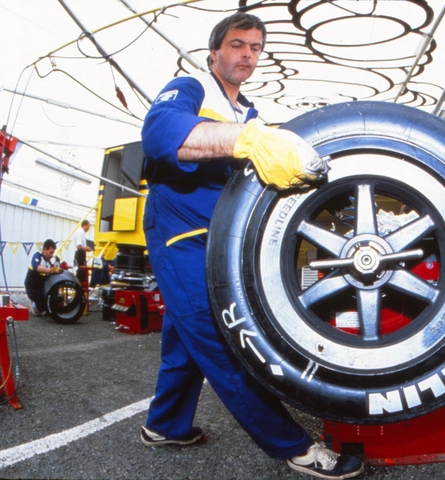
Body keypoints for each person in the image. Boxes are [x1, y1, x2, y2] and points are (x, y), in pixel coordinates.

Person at [139, 13, 362, 480]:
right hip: (179, 228)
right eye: (237, 44)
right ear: (214, 52)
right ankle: (296, 447)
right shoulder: (192, 87)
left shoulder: (251, 114)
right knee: (221, 336)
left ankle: (164, 425)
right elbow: (160, 136)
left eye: (256, 47)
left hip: (221, 234)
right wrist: (246, 140)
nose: (246, 54)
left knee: (186, 333)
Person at [24, 239, 62, 315]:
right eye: (51, 252)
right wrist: (51, 270)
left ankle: (42, 305)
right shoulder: (37, 256)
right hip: (33, 289)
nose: (52, 255)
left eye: (53, 252)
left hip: (43, 287)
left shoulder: (51, 260)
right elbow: (37, 268)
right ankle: (35, 304)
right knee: (45, 306)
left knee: (57, 298)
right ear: (45, 249)